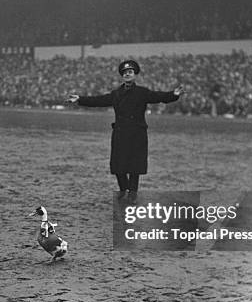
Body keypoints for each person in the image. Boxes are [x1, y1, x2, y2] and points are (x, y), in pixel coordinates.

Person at [67, 60, 184, 203]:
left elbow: (159, 97)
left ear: (135, 75)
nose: (127, 74)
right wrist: (80, 99)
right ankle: (123, 190)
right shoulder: (116, 94)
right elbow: (98, 100)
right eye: (125, 73)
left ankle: (133, 194)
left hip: (137, 134)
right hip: (120, 134)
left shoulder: (142, 93)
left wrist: (174, 94)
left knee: (135, 166)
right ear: (122, 76)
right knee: (118, 166)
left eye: (130, 72)